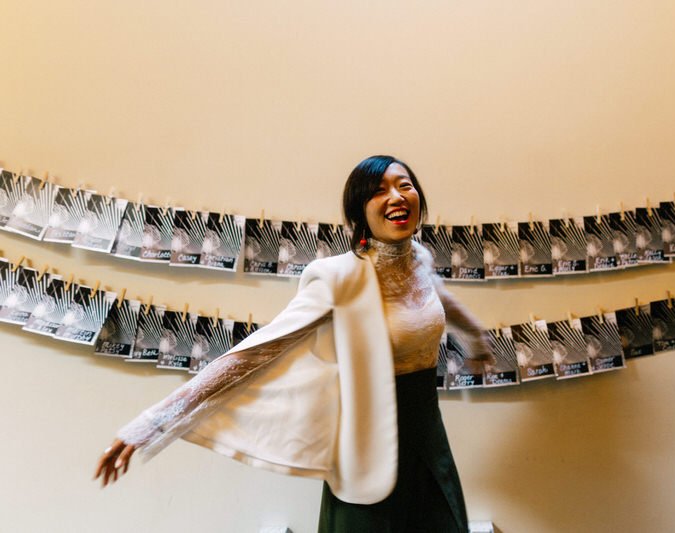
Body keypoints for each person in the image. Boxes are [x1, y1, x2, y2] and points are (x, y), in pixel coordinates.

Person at [94, 155, 492, 532]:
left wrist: (477, 342)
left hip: (429, 445)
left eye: (404, 185)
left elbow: (440, 302)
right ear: (359, 214)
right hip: (368, 451)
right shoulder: (338, 277)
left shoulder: (419, 261)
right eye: (378, 190)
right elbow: (255, 353)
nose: (396, 197)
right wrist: (150, 424)